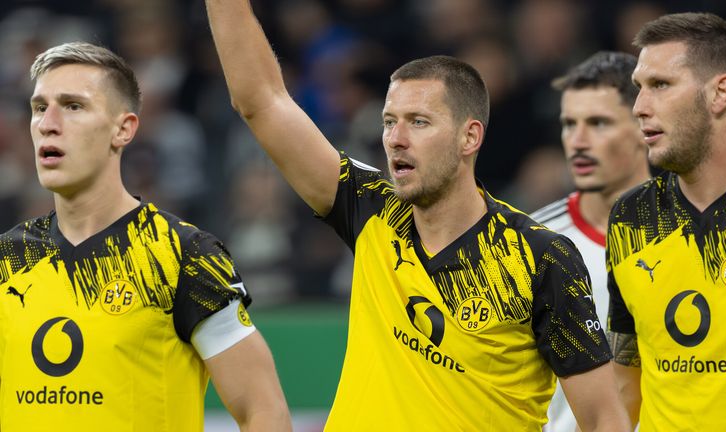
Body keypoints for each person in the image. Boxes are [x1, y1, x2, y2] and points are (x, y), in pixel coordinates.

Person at [205, 1, 630, 430]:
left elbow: (602, 420)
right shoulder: (370, 209)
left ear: (470, 136)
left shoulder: (540, 257)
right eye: (389, 122)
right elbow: (261, 99)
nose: (395, 139)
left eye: (419, 122)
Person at [0, 42, 291, 431]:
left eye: (73, 106)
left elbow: (264, 410)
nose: (48, 123)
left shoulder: (183, 254)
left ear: (123, 129)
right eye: (39, 107)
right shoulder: (8, 258)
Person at [606, 12, 726, 430]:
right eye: (638, 89)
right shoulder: (631, 218)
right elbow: (626, 378)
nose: (639, 107)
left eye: (660, 85)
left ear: (720, 93)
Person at [530, 51, 650, 432]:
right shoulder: (531, 244)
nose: (578, 141)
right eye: (569, 124)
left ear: (645, 127)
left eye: (598, 123)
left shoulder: (695, 235)